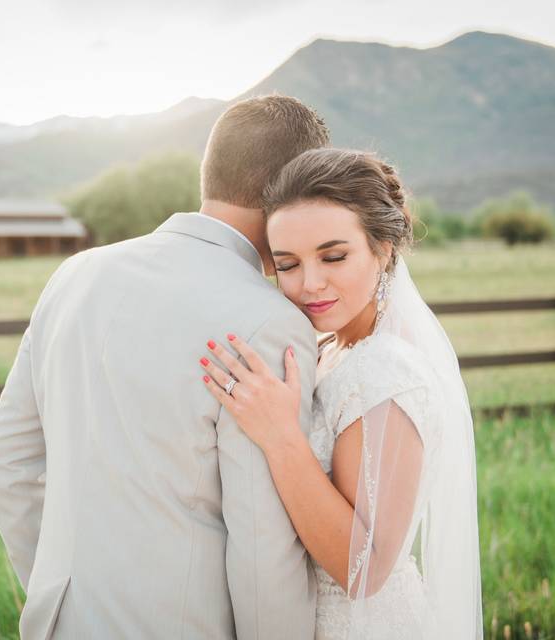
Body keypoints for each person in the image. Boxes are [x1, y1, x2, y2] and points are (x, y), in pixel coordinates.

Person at [0, 94, 330, 639]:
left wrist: (60, 592)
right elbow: (262, 544)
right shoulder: (269, 323)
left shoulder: (75, 276)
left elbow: (7, 460)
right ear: (293, 190)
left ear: (209, 172)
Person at [199, 148, 483, 639]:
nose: (310, 283)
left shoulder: (384, 373)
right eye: (287, 264)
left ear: (383, 248)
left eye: (334, 256)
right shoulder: (335, 352)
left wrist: (280, 437)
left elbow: (365, 568)